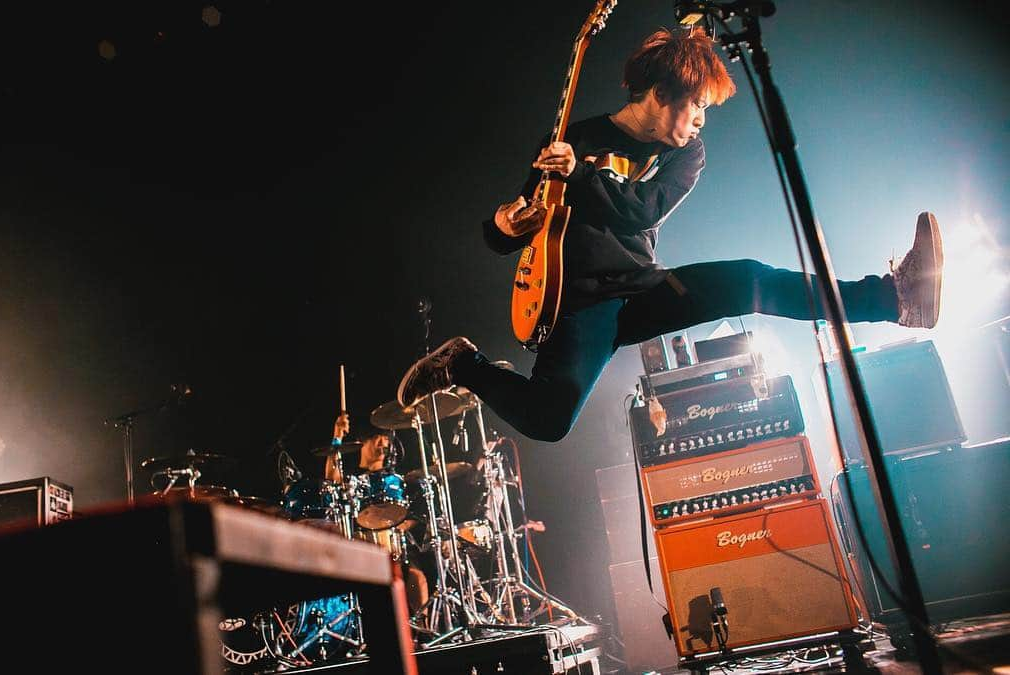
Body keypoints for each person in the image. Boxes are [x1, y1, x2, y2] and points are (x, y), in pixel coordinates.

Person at [396, 26, 943, 442]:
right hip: (578, 302)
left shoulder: (686, 154)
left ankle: (894, 298)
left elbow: (640, 212)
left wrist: (581, 175)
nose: (703, 119)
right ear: (661, 92)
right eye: (698, 104)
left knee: (750, 279)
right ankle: (463, 364)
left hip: (643, 288)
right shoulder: (573, 137)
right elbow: (512, 235)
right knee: (548, 419)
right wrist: (504, 223)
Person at [325, 412, 430, 614]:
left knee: (418, 580)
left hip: (396, 548)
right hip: (362, 550)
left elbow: (413, 516)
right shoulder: (354, 481)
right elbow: (331, 480)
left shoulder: (396, 480)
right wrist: (337, 435)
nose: (384, 444)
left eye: (387, 439)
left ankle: (421, 633)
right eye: (377, 437)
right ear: (363, 442)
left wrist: (400, 527)